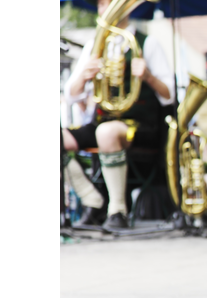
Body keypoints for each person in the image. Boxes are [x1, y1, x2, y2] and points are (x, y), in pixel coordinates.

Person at [62, 0, 175, 230]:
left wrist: (149, 77)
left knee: (107, 132)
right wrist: (84, 75)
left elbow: (169, 97)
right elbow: (71, 95)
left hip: (141, 126)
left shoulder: (147, 44)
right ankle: (93, 200)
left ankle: (118, 210)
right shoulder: (94, 45)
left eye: (111, 3)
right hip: (102, 121)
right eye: (102, 5)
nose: (105, 9)